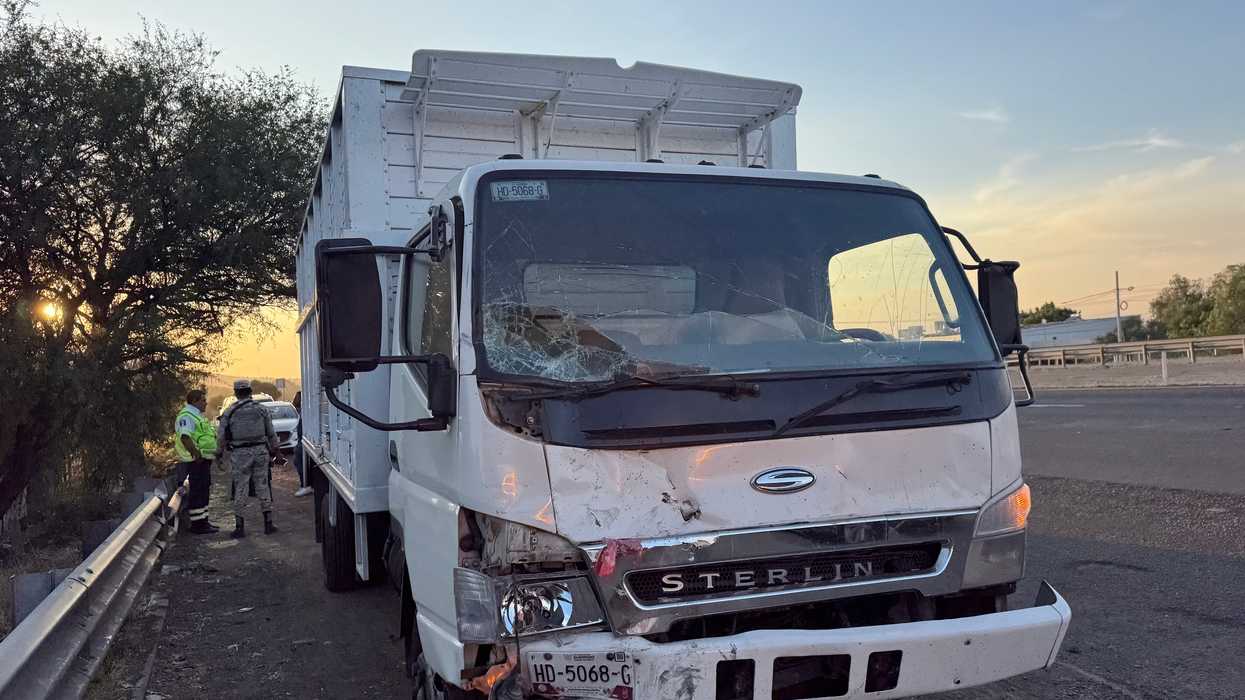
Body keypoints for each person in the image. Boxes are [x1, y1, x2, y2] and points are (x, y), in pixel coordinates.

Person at [217, 379, 279, 538]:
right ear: (250, 392)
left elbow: (222, 436)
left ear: (236, 393)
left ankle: (239, 527)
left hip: (240, 454)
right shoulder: (261, 409)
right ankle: (268, 524)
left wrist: (219, 455)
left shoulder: (229, 411)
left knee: (240, 488)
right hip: (260, 451)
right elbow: (271, 433)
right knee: (263, 485)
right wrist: (276, 451)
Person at [173, 389, 219, 534]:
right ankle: (198, 525)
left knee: (203, 490)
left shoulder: (197, 415)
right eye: (203, 400)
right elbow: (185, 437)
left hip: (203, 460)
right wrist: (196, 454)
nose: (206, 403)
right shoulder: (187, 416)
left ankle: (203, 522)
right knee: (198, 491)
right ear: (194, 401)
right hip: (194, 461)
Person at [291, 390, 313, 497]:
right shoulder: (304, 412)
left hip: (304, 441)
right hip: (303, 440)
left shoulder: (305, 412)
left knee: (299, 460)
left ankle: (306, 485)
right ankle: (306, 484)